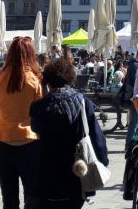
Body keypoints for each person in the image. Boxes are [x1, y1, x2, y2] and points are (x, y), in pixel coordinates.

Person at [30, 53, 108, 208]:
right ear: (70, 78)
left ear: (47, 81)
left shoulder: (38, 107)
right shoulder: (84, 103)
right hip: (76, 172)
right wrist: (102, 161)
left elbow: (35, 128)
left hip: (46, 174)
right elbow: (97, 139)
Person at [0, 36, 43, 209]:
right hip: (30, 144)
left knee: (8, 200)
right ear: (30, 55)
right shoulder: (34, 81)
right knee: (31, 198)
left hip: (2, 144)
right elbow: (40, 117)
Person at [124, 47, 138, 152]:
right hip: (135, 97)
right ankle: (129, 145)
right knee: (135, 122)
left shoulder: (133, 64)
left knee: (136, 122)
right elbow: (136, 82)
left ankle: (134, 143)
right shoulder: (134, 65)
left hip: (135, 96)